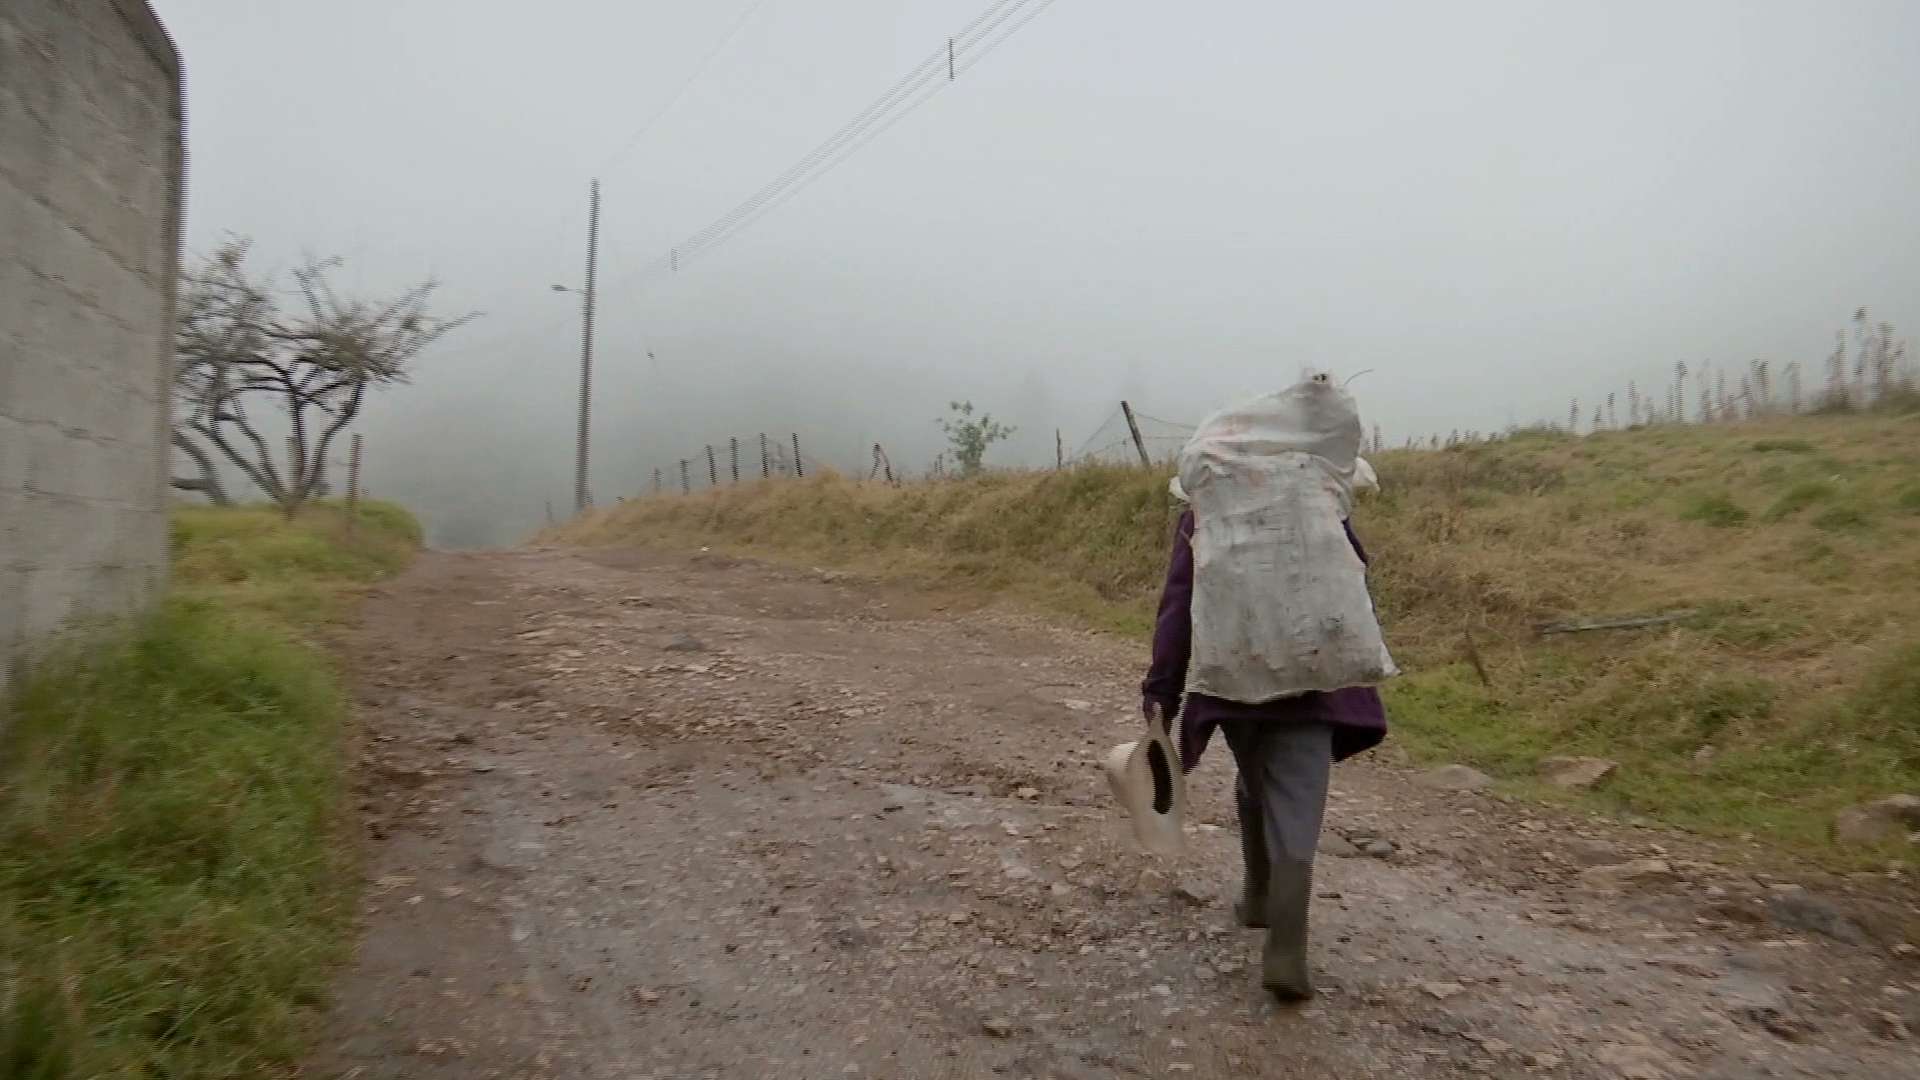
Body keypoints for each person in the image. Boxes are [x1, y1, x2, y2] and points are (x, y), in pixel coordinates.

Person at [1140, 497, 1387, 1001]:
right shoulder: (1318, 499)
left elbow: (1179, 604)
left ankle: (1257, 897)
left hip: (1237, 678)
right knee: (1298, 797)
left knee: (1255, 778)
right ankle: (1285, 946)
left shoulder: (1207, 508)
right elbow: (1353, 576)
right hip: (1315, 679)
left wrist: (1162, 689)